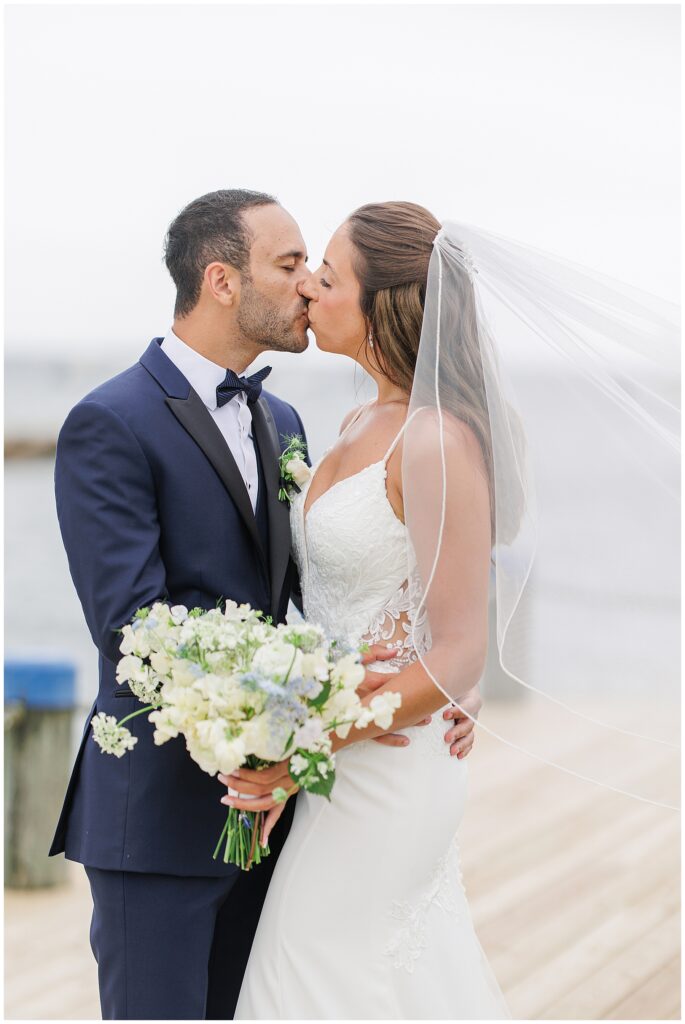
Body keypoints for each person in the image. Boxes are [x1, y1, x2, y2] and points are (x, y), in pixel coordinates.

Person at [50, 190, 480, 1020]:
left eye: (319, 272)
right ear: (220, 280)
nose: (307, 289)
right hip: (164, 819)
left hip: (290, 814)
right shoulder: (110, 421)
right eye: (290, 267)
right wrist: (298, 724)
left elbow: (335, 597)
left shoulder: (282, 420)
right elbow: (133, 631)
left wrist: (445, 681)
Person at [232, 202, 511, 1019]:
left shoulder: (433, 440)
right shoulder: (359, 420)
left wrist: (306, 741)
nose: (309, 293)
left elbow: (458, 648)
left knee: (323, 975)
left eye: (327, 275)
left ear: (384, 301)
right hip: (340, 763)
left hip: (387, 769)